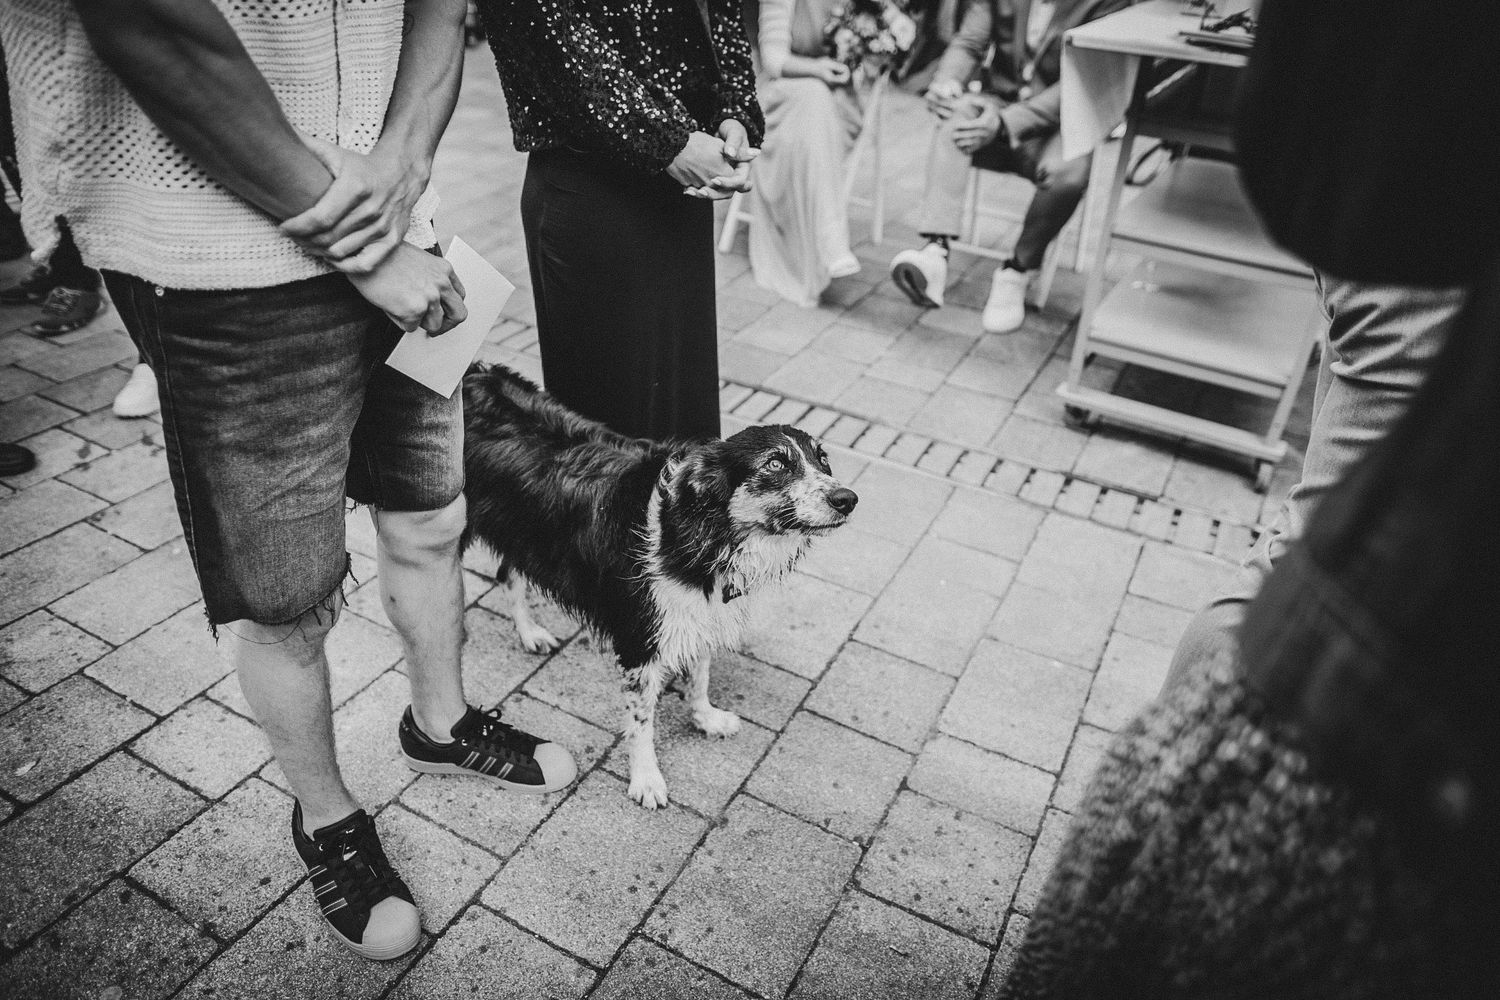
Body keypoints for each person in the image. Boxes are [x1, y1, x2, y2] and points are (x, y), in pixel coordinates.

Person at [0, 0, 577, 962]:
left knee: (434, 513)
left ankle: (439, 722)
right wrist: (362, 244)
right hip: (228, 264)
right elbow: (150, 22)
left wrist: (403, 167)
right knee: (284, 596)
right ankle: (327, 817)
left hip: (417, 241)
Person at [476, 0, 764, 441]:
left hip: (680, 187)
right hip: (594, 183)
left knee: (686, 425)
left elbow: (721, 13)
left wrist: (734, 112)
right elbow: (539, 26)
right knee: (611, 447)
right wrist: (667, 142)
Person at [888, 0, 1127, 333]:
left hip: (1058, 122)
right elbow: (970, 43)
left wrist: (1003, 124)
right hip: (997, 101)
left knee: (1070, 173)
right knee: (956, 118)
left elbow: (1084, 83)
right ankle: (934, 254)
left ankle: (1016, 272)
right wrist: (946, 84)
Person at [745, 0, 868, 307]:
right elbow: (773, 59)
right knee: (813, 97)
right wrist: (817, 70)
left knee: (819, 105)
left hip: (839, 102)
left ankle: (826, 236)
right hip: (783, 95)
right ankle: (831, 239)